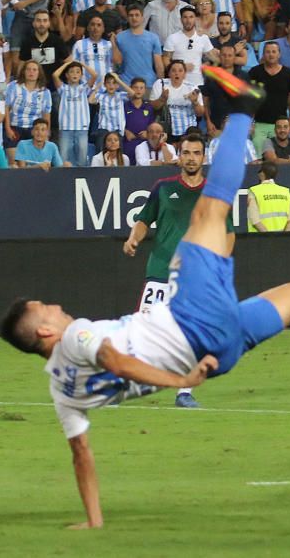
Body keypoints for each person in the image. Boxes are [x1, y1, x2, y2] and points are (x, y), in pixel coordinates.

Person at [1, 83, 290, 528]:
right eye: (46, 310)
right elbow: (117, 361)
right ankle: (242, 111)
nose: (56, 306)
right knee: (209, 212)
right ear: (45, 333)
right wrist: (178, 379)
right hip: (190, 324)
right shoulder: (77, 337)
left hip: (216, 356)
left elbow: (81, 455)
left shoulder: (61, 393)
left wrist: (95, 520)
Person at [123, 131, 224, 409]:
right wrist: (134, 238)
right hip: (160, 271)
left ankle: (184, 393)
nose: (191, 158)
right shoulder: (163, 187)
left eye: (196, 153)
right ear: (179, 155)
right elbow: (144, 220)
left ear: (204, 157)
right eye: (187, 153)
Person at [250, 41, 290, 151]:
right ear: (263, 54)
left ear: (279, 54)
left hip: (280, 125)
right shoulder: (255, 72)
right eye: (267, 52)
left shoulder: (287, 73)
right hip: (259, 123)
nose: (271, 54)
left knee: (278, 158)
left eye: (273, 51)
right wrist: (249, 122)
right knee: (258, 158)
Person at [247, 160, 290, 232]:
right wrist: (284, 238)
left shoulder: (254, 191)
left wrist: (270, 238)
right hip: (282, 241)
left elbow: (255, 220)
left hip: (259, 240)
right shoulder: (285, 192)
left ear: (262, 174)